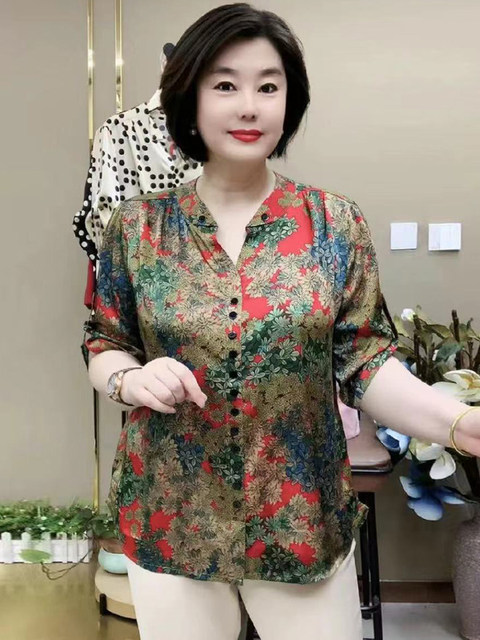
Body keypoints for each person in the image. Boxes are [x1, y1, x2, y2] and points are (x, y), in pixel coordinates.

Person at [83, 4, 480, 639]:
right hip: (172, 514)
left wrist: (460, 424)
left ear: (289, 102)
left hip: (299, 518)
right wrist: (129, 379)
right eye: (225, 84)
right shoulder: (137, 228)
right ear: (190, 98)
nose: (249, 107)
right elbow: (105, 341)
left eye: (268, 87)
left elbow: (365, 363)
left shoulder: (334, 224)